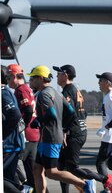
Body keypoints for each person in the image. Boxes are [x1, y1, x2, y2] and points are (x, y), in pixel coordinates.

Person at [27, 65, 95, 193]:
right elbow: (71, 111)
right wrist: (63, 129)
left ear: (41, 78)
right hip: (47, 137)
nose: (31, 81)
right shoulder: (56, 92)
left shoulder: (43, 94)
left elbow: (51, 113)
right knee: (37, 168)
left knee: (51, 172)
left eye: (33, 78)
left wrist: (38, 121)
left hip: (50, 138)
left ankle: (85, 183)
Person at [55, 64, 102, 193]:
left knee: (72, 168)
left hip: (73, 134)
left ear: (65, 75)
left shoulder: (67, 91)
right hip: (79, 131)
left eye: (59, 73)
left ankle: (103, 179)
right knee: (61, 167)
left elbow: (70, 113)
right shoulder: (75, 89)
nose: (56, 76)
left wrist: (65, 130)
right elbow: (84, 113)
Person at [8, 64, 36, 191]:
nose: (7, 80)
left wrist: (22, 126)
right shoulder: (26, 88)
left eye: (8, 77)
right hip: (33, 135)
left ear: (14, 76)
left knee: (12, 168)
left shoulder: (21, 90)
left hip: (27, 136)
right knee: (30, 172)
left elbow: (28, 110)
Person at [2, 65, 24, 193]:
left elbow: (15, 114)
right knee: (8, 178)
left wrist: (4, 134)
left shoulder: (3, 93)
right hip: (10, 143)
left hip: (10, 144)